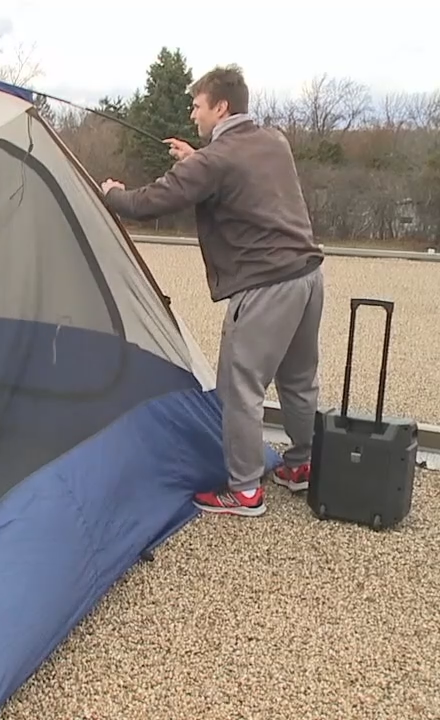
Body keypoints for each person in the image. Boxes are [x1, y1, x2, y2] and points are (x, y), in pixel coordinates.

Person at [98, 64, 324, 518]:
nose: (192, 112)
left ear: (221, 106)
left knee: (239, 388)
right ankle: (303, 464)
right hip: (308, 275)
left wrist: (113, 194)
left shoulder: (214, 161)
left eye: (198, 105)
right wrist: (197, 155)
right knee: (299, 382)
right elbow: (231, 170)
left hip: (264, 287)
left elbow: (151, 202)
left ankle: (244, 491)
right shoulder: (272, 141)